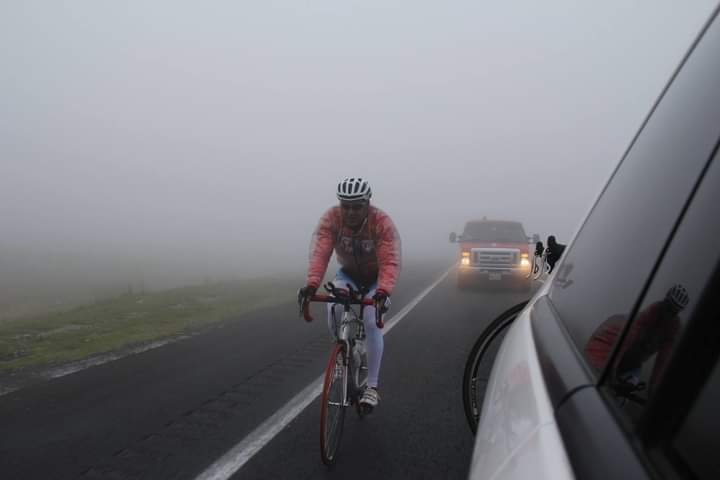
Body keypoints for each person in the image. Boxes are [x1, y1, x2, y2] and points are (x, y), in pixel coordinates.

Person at [298, 177, 401, 410]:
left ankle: (372, 387)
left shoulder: (381, 222)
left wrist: (383, 291)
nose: (351, 212)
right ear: (339, 205)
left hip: (376, 279)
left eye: (357, 206)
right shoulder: (331, 219)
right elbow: (321, 252)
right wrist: (312, 284)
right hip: (348, 274)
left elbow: (389, 261)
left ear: (368, 203)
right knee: (333, 306)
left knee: (370, 320)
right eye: (346, 206)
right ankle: (343, 351)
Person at [585, 284, 689, 397]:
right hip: (605, 351)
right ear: (664, 302)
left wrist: (653, 391)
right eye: (668, 307)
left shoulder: (672, 331)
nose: (668, 314)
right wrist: (612, 370)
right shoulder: (643, 318)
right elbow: (624, 343)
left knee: (622, 396)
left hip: (632, 366)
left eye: (673, 312)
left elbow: (662, 362)